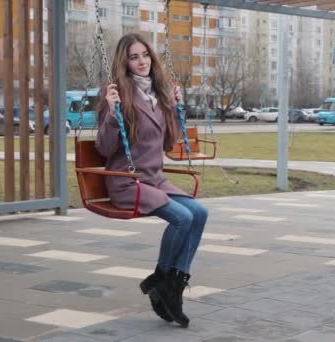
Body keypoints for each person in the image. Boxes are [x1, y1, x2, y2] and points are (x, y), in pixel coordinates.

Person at [95, 33, 207, 329]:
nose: (142, 61)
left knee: (200, 213)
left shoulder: (159, 93)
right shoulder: (117, 93)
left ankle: (173, 286)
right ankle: (161, 279)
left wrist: (174, 106)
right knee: (182, 218)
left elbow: (169, 144)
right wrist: (110, 112)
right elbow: (104, 149)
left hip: (155, 179)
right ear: (125, 62)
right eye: (134, 57)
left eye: (145, 54)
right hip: (128, 181)